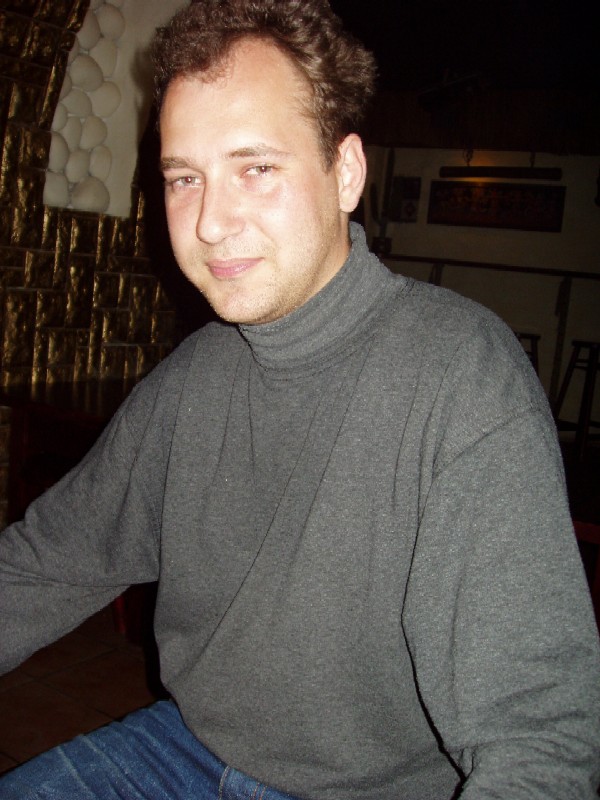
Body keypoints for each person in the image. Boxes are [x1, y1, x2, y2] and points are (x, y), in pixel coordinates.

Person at [1, 0, 599, 797]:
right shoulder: (191, 381)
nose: (210, 223)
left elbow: (537, 739)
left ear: (345, 173)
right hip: (181, 749)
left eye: (256, 168)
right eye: (185, 178)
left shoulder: (461, 376)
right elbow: (46, 564)